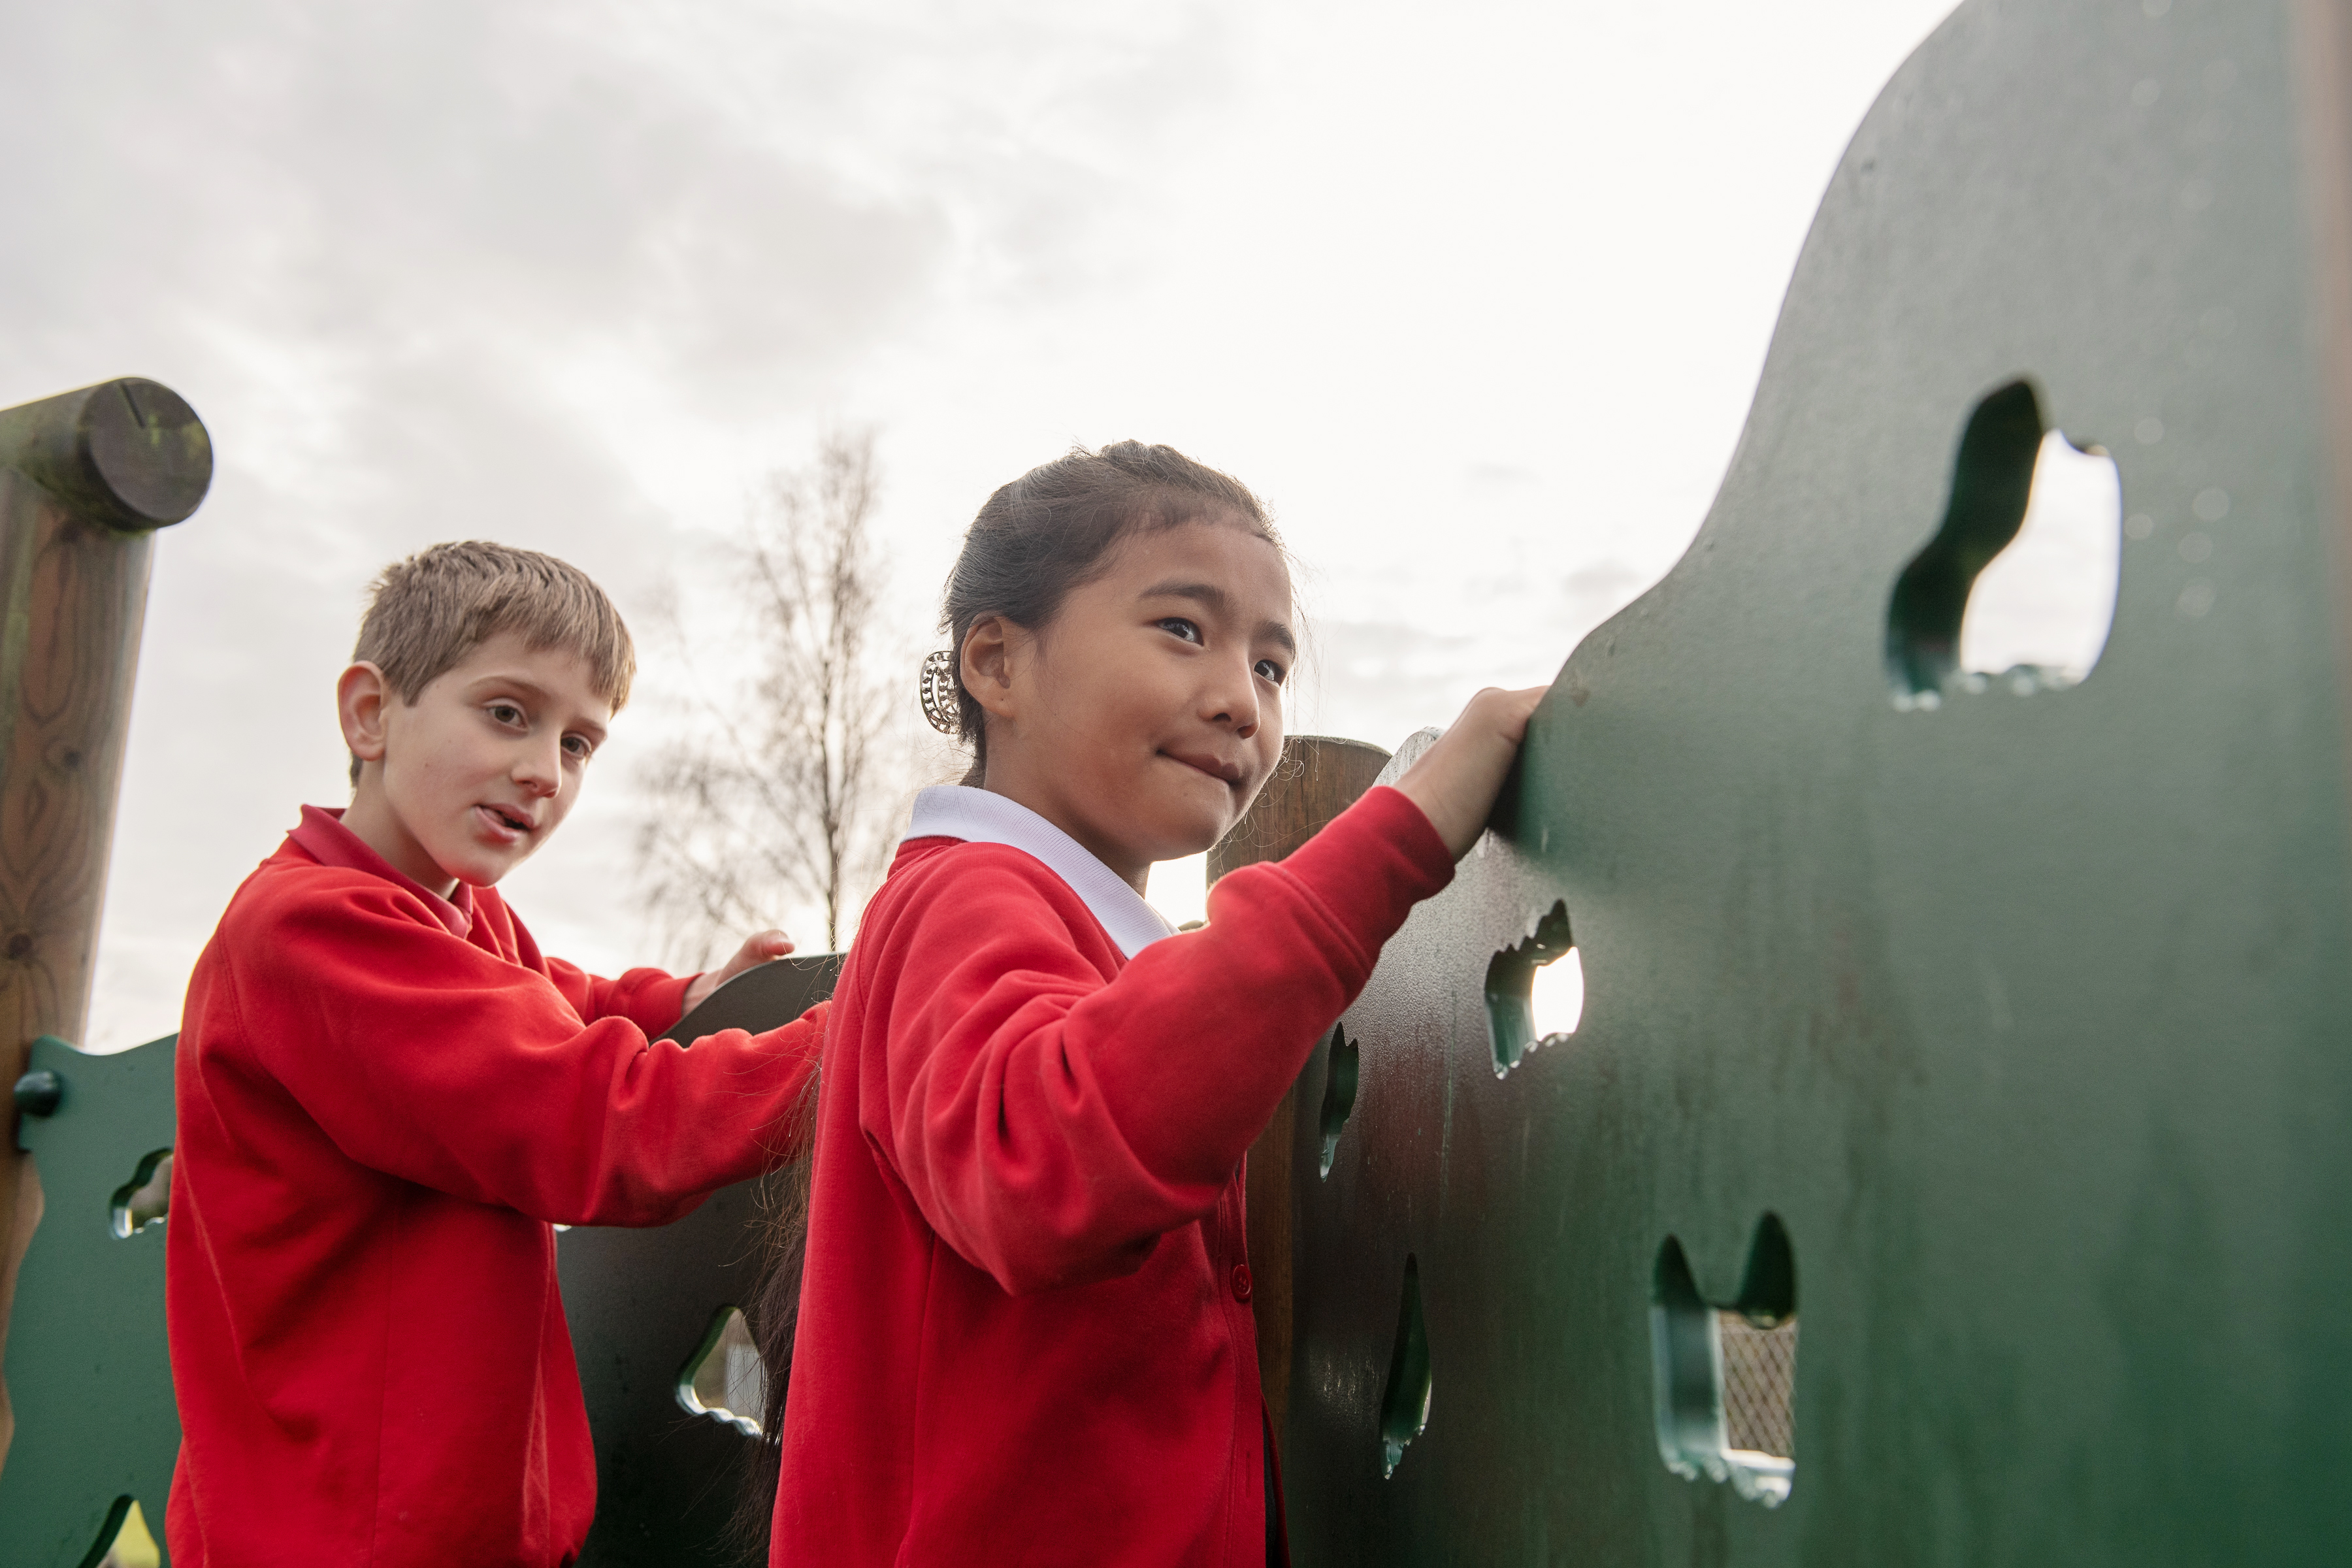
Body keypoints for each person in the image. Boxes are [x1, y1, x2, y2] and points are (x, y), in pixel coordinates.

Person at [763, 442, 1543, 1566]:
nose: (1240, 702)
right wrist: (1397, 841)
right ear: (998, 663)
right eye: (1184, 629)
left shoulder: (1100, 955)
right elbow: (1045, 1160)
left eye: (1272, 667)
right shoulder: (962, 900)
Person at [165, 542, 824, 1567]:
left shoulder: (456, 920)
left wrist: (681, 999)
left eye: (579, 745)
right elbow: (593, 1122)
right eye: (509, 713)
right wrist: (858, 1033)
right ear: (371, 715)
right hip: (338, 1529)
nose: (542, 771)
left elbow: (563, 1000)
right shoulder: (310, 934)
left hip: (467, 1517)